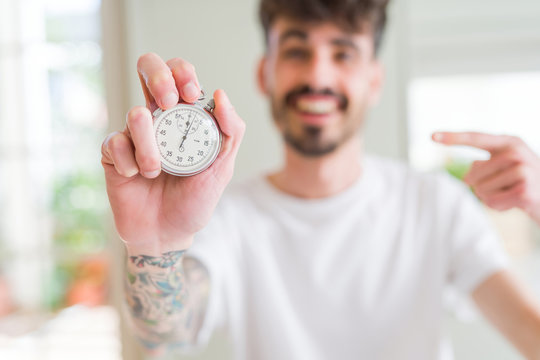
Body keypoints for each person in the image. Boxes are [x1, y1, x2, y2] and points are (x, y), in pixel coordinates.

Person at [101, 0, 540, 359]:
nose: (318, 76)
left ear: (375, 81)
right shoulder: (224, 216)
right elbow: (165, 333)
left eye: (344, 53)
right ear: (264, 74)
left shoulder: (437, 204)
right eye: (296, 51)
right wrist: (154, 247)